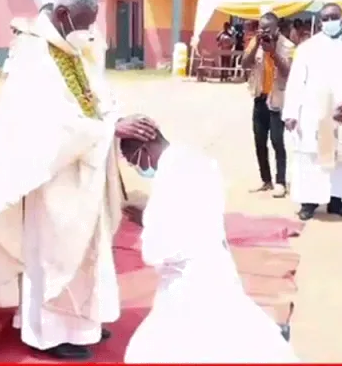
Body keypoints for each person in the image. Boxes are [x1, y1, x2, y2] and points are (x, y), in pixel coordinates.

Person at [0, 0, 160, 360]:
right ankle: (48, 334)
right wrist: (109, 129)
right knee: (52, 255)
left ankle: (82, 323)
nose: (89, 32)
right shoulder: (33, 52)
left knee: (87, 251)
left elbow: (95, 99)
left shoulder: (70, 48)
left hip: (83, 166)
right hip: (50, 175)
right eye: (85, 22)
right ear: (65, 14)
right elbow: (42, 124)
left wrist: (118, 119)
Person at [120, 133, 298, 363]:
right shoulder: (194, 159)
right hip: (216, 262)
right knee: (233, 325)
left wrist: (149, 225)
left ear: (143, 150)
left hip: (186, 280)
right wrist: (148, 217)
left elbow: (157, 251)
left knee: (155, 349)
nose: (137, 167)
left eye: (132, 160)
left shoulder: (167, 177)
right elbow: (192, 213)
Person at [282, 2, 342, 221]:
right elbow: (296, 82)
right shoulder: (307, 48)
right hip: (315, 114)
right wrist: (291, 113)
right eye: (325, 18)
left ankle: (337, 201)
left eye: (334, 17)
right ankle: (309, 202)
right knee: (311, 158)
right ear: (320, 20)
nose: (329, 21)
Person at [241, 12, 294, 198]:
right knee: (259, 141)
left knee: (277, 142)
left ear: (276, 28)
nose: (263, 31)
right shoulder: (255, 43)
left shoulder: (287, 46)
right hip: (259, 97)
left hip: (277, 99)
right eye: (261, 28)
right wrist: (256, 45)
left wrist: (273, 52)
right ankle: (266, 180)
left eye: (267, 29)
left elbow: (288, 72)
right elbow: (244, 65)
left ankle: (280, 182)